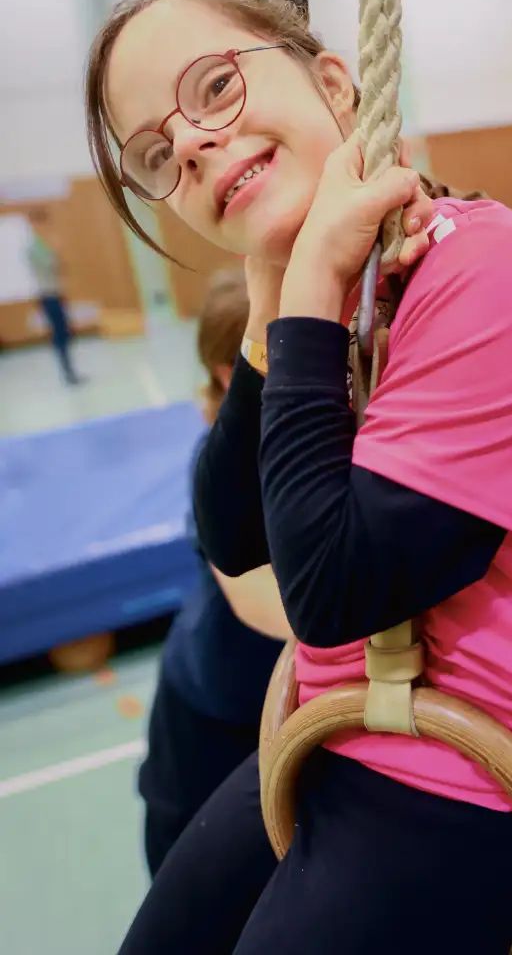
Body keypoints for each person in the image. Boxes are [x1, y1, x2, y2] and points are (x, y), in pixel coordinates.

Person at [85, 0, 512, 955]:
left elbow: (334, 589)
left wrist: (312, 283)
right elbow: (233, 533)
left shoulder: (491, 272)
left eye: (211, 88)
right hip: (329, 734)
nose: (191, 143)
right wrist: (278, 291)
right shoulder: (316, 299)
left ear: (335, 83)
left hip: (455, 782)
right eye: (157, 151)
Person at [137, 269, 289, 877]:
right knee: (191, 883)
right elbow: (256, 596)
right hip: (211, 715)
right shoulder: (222, 460)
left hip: (277, 706)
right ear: (234, 373)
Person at [25, 208, 83, 385]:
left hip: (55, 294)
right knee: (60, 334)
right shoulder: (35, 247)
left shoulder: (42, 245)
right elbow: (51, 265)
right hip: (48, 296)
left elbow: (59, 268)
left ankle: (69, 371)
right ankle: (67, 373)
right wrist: (56, 252)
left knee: (64, 333)